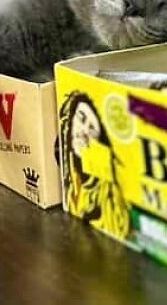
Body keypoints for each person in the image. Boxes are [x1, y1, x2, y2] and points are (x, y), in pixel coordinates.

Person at [58, 91, 130, 239]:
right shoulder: (69, 175)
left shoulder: (104, 193)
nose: (84, 131)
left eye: (92, 129)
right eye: (81, 118)